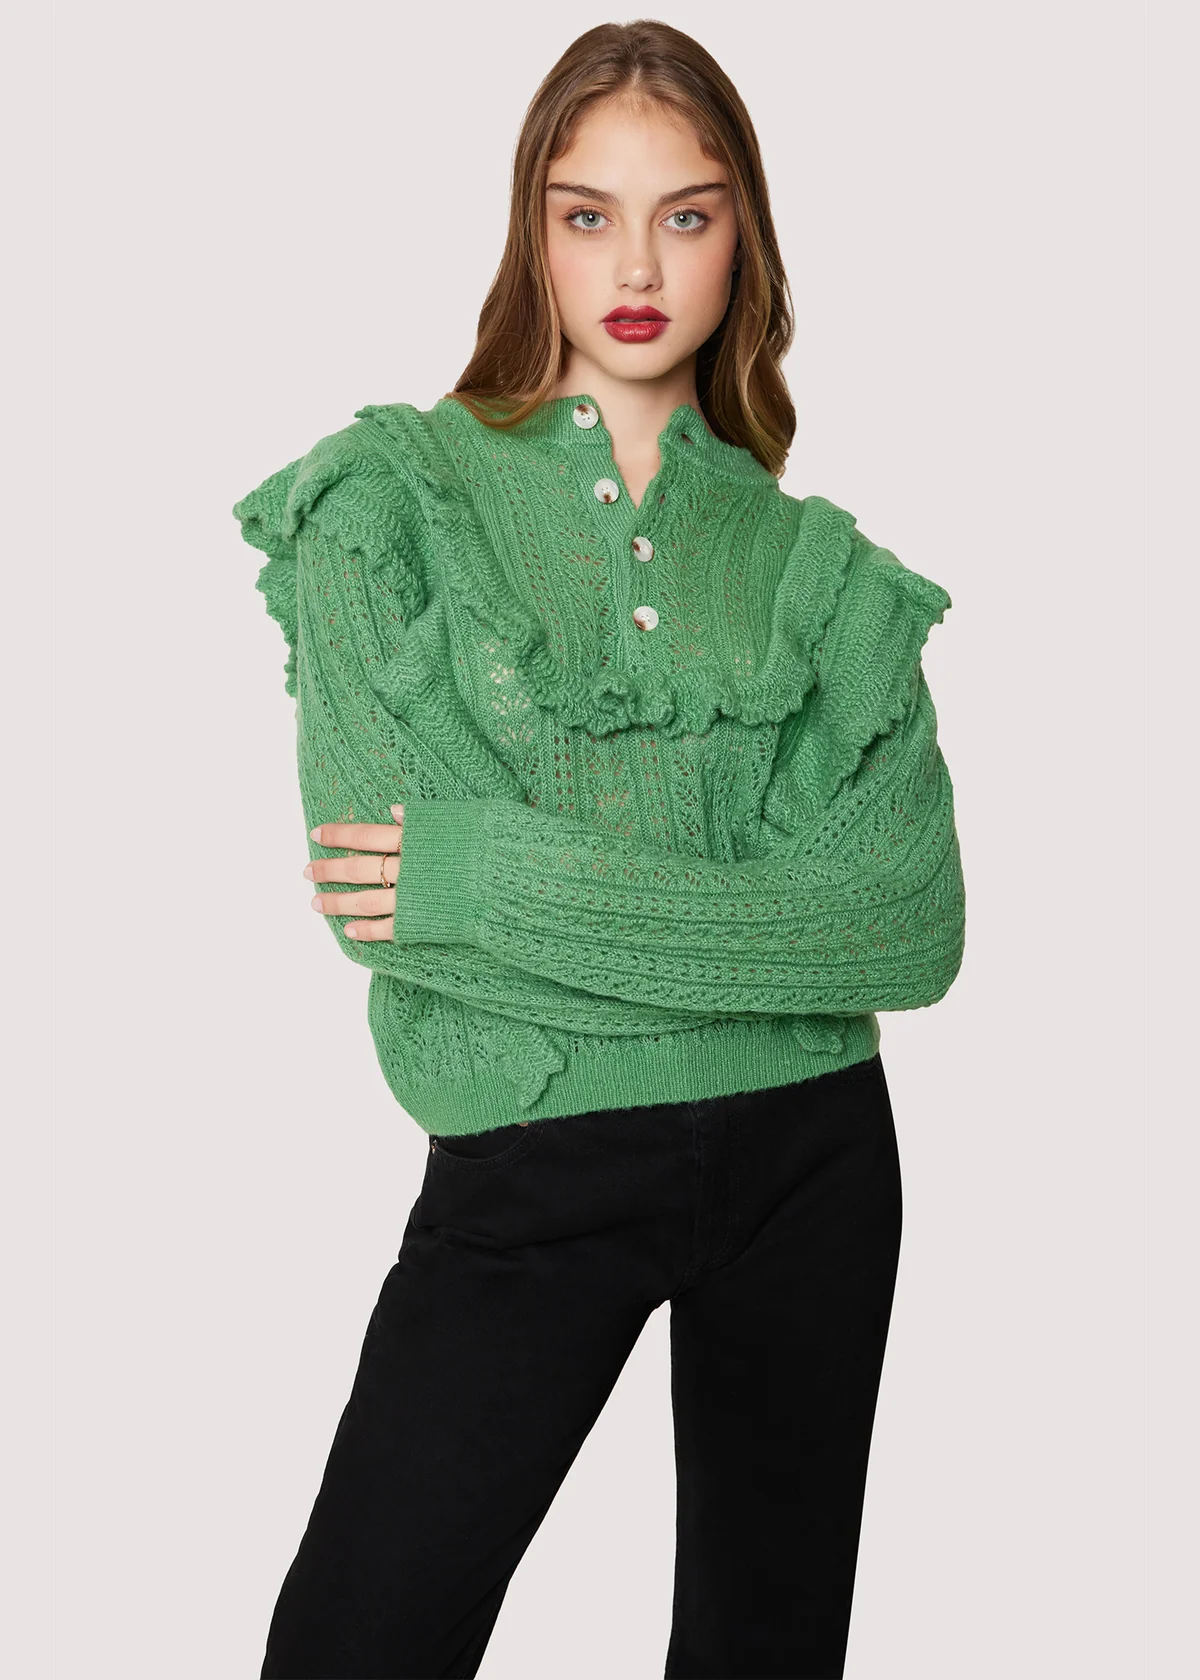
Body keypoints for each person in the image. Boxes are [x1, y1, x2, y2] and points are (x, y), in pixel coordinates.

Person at [232, 19, 966, 1679]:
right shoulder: (387, 501)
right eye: (589, 215)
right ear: (532, 229)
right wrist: (764, 930)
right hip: (531, 1158)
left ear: (743, 238)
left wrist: (495, 873)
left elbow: (909, 925)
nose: (637, 267)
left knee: (767, 1651)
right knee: (357, 1639)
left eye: (686, 215)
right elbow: (381, 902)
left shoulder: (819, 567)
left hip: (817, 1159)